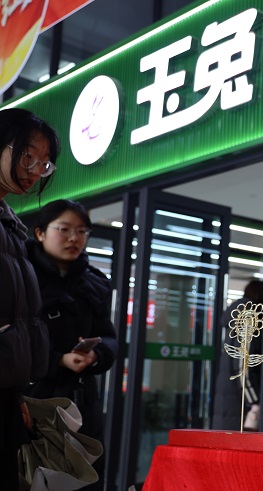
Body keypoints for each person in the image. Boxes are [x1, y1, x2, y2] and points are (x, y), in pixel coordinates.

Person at [25, 199, 117, 490]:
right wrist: (58, 360)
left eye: (81, 231)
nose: (74, 238)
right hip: (33, 399)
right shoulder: (21, 276)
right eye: (64, 229)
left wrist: (96, 355)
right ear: (40, 233)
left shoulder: (94, 282)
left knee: (84, 477)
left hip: (82, 402)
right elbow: (14, 341)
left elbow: (109, 336)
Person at [0, 108, 58, 489]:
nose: (35, 170)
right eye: (27, 155)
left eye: (44, 162)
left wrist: (16, 395)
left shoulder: (11, 226)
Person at [212, 279, 263, 431]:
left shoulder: (238, 318)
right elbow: (243, 366)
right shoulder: (249, 317)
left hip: (230, 401)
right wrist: (255, 401)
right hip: (240, 405)